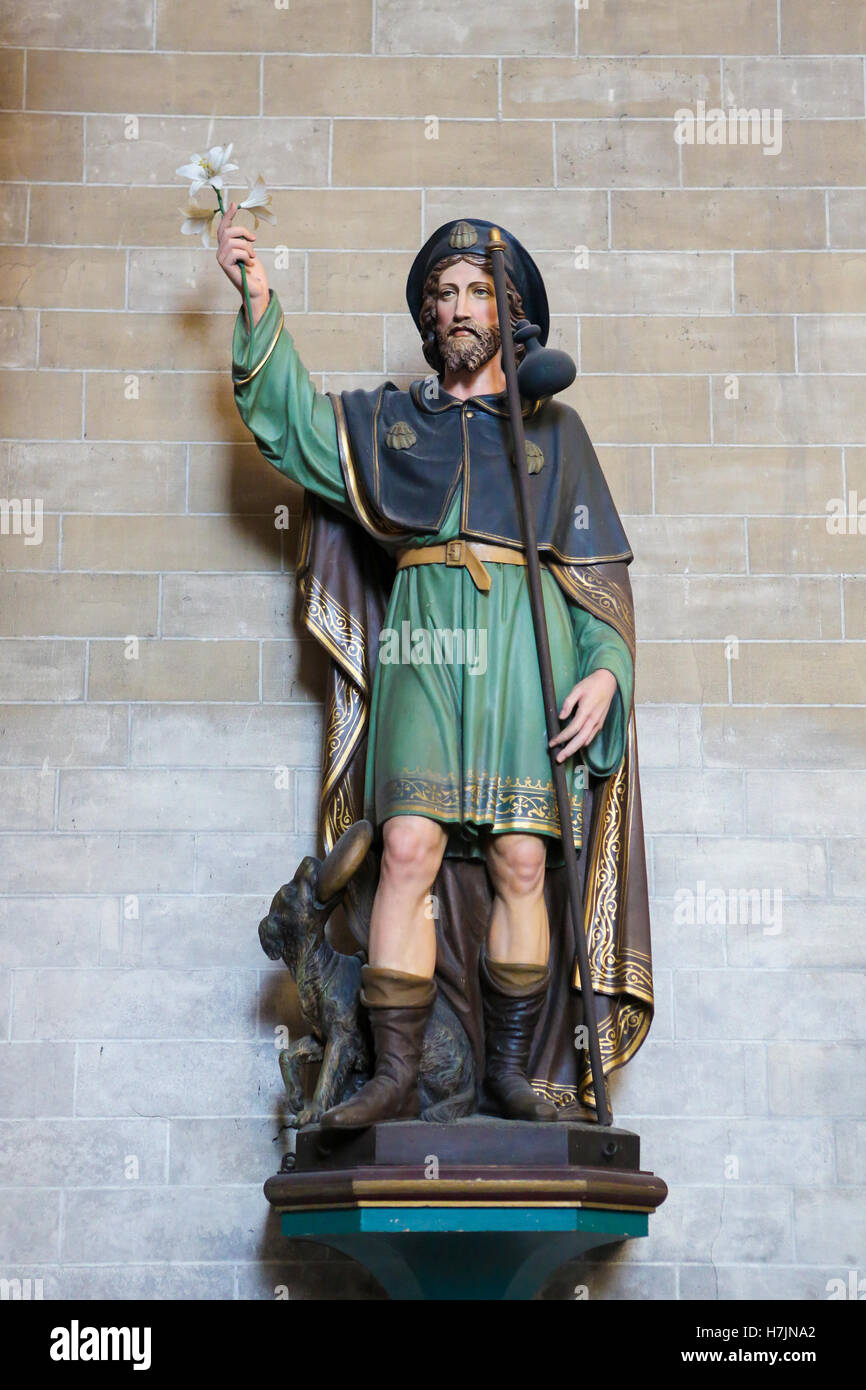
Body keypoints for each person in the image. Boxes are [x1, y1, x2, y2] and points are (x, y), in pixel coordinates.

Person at [217, 210, 653, 1129]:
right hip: (421, 646)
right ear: (429, 317)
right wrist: (257, 299)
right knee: (405, 848)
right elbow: (290, 427)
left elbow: (601, 578)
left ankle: (507, 1071)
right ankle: (395, 1075)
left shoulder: (555, 434)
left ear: (511, 313)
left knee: (522, 859)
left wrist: (606, 671)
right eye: (443, 295)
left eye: (476, 293)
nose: (458, 308)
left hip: (526, 657)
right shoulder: (389, 425)